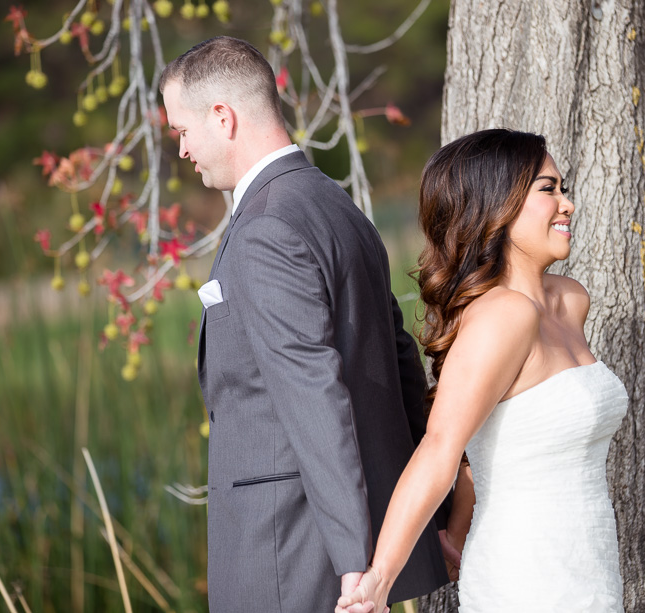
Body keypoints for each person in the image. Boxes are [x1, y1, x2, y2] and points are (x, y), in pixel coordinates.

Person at [160, 36, 449, 612]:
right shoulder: (338, 207)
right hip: (329, 537)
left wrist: (351, 560)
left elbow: (313, 392)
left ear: (223, 117)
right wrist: (426, 519)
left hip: (288, 549)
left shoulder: (265, 226)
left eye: (182, 131)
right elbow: (401, 370)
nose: (184, 149)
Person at [337, 129, 628, 612]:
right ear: (499, 207)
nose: (567, 204)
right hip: (527, 578)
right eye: (548, 189)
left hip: (590, 569)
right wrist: (380, 580)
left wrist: (455, 530)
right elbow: (440, 448)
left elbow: (493, 437)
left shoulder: (570, 301)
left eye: (564, 188)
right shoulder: (502, 316)